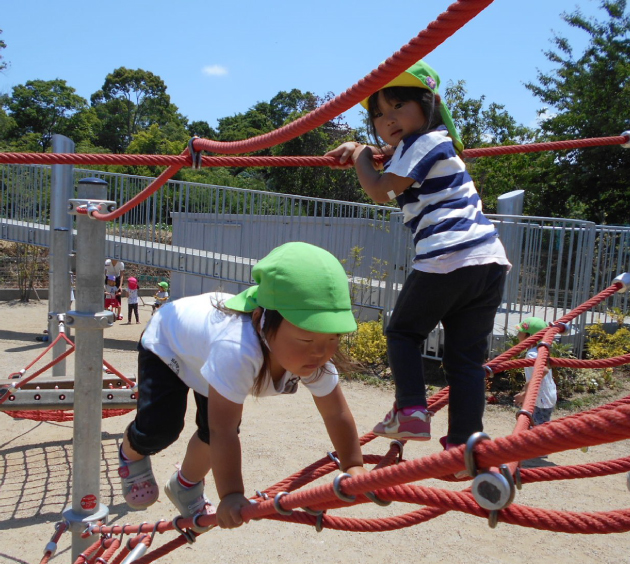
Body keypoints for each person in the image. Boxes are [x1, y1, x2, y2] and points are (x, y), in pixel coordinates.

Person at [326, 59, 511, 451]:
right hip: (488, 261)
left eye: (398, 107)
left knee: (403, 333)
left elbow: (379, 190)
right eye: (378, 114)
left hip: (448, 254)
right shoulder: (430, 144)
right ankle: (466, 442)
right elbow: (393, 158)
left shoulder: (423, 142)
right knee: (464, 359)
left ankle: (411, 410)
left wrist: (361, 156)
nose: (387, 119)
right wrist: (369, 150)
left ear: (428, 105)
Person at [118, 242, 366, 529]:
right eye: (307, 340)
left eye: (332, 339)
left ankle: (185, 485)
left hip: (206, 351)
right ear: (262, 320)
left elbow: (335, 413)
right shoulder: (237, 349)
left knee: (211, 434)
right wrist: (231, 495)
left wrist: (353, 466)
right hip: (170, 343)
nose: (320, 352)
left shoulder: (314, 356)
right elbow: (224, 430)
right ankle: (130, 454)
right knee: (159, 430)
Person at [513, 317, 557, 425]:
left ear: (530, 337)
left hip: (542, 399)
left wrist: (524, 393)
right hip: (545, 396)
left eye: (520, 332)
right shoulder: (539, 351)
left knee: (538, 432)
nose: (517, 334)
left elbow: (543, 371)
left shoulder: (532, 354)